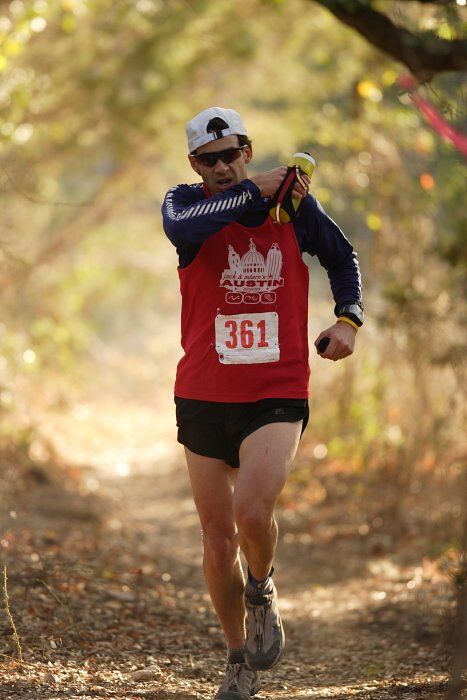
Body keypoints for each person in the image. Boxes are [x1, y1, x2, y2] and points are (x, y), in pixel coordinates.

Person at [162, 107, 363, 700]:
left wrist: (348, 319)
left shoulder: (293, 205)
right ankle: (236, 659)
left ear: (247, 149)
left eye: (233, 153)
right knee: (217, 537)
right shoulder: (183, 205)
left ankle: (262, 588)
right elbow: (189, 231)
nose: (223, 167)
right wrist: (254, 189)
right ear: (195, 165)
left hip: (276, 387)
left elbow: (341, 255)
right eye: (210, 159)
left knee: (253, 513)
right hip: (202, 389)